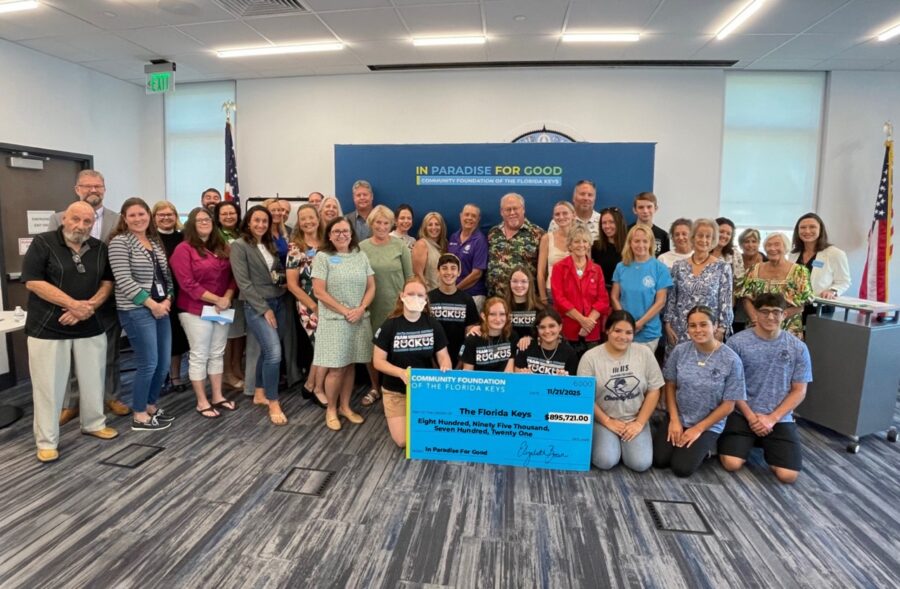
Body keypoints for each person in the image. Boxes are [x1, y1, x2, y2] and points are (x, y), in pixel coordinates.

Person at [23, 201, 118, 462]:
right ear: (65, 218)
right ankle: (47, 441)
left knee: (93, 380)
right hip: (48, 327)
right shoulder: (43, 243)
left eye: (87, 222)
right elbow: (33, 281)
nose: (81, 226)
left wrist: (88, 307)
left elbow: (107, 282)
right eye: (76, 219)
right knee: (49, 387)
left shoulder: (99, 248)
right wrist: (73, 305)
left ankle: (94, 424)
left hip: (90, 324)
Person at [50, 169, 129, 422]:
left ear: (105, 189)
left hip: (108, 298)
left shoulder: (119, 220)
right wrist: (71, 302)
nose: (93, 190)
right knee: (72, 353)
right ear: (77, 189)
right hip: (71, 301)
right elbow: (52, 258)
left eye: (99, 186)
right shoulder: (58, 218)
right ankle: (72, 402)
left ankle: (111, 396)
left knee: (110, 351)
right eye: (88, 186)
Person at [719, 294, 812, 484]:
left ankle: (763, 441)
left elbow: (799, 390)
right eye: (764, 312)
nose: (770, 317)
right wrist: (752, 417)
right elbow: (730, 386)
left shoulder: (798, 348)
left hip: (778, 417)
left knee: (788, 475)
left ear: (784, 314)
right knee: (732, 463)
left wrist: (772, 418)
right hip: (742, 413)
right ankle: (751, 440)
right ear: (756, 313)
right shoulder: (736, 343)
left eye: (776, 312)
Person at [653, 306, 746, 477]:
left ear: (715, 325)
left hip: (708, 423)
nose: (698, 330)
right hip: (678, 416)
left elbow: (729, 405)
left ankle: (709, 446)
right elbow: (670, 385)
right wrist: (674, 420)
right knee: (659, 460)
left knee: (681, 468)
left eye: (703, 325)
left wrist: (698, 429)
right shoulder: (680, 351)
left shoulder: (731, 360)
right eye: (692, 325)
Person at [109, 197, 175, 431]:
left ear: (149, 215)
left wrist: (167, 298)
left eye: (142, 214)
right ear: (125, 219)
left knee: (163, 362)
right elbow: (124, 280)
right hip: (137, 309)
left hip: (161, 307)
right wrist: (151, 304)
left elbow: (166, 276)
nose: (138, 219)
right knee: (148, 362)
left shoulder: (154, 242)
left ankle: (150, 405)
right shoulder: (120, 242)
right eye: (132, 215)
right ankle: (138, 413)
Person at [170, 207, 237, 418]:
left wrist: (226, 297)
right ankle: (202, 401)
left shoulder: (223, 247)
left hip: (221, 308)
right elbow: (187, 283)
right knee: (199, 355)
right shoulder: (183, 249)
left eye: (207, 219)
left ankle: (217, 396)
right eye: (199, 220)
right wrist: (217, 299)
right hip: (194, 309)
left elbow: (234, 276)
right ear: (191, 224)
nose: (204, 222)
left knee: (217, 353)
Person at [578, 310, 662, 472]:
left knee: (640, 464)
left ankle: (633, 439)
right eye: (617, 331)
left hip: (634, 418)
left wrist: (639, 423)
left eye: (629, 332)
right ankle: (614, 443)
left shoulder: (644, 353)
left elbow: (654, 390)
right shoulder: (590, 357)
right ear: (607, 330)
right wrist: (608, 421)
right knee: (605, 460)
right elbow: (585, 396)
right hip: (603, 418)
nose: (623, 337)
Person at [312, 217, 376, 431]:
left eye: (345, 231)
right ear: (329, 235)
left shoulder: (361, 255)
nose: (341, 234)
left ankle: (345, 407)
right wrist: (345, 311)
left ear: (351, 233)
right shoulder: (323, 257)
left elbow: (371, 287)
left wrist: (360, 309)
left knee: (350, 365)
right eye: (336, 231)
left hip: (358, 318)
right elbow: (319, 291)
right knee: (337, 368)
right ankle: (331, 409)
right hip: (335, 321)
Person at [373, 277, 452, 448]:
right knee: (403, 441)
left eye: (420, 295)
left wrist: (445, 365)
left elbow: (443, 355)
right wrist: (400, 372)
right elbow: (378, 362)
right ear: (402, 296)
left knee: (433, 433)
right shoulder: (390, 325)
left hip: (423, 389)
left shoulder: (432, 324)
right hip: (396, 391)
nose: (415, 298)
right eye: (410, 294)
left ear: (425, 299)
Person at [230, 205, 288, 426]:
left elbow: (276, 272)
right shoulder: (240, 245)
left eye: (265, 221)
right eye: (257, 220)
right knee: (274, 353)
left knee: (268, 349)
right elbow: (243, 283)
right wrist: (264, 309)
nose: (261, 225)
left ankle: (260, 392)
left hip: (279, 300)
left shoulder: (269, 243)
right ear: (248, 222)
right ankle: (273, 402)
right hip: (257, 305)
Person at [359, 205, 413, 406]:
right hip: (370, 307)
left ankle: (398, 388)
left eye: (386, 223)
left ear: (392, 224)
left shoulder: (400, 246)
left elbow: (410, 277)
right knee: (371, 349)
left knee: (398, 349)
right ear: (371, 224)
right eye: (377, 223)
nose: (381, 227)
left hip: (397, 307)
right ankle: (375, 387)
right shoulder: (362, 247)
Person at [664, 218, 733, 354]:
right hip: (680, 328)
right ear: (693, 237)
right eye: (700, 235)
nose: (704, 240)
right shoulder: (678, 266)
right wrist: (667, 324)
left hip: (708, 330)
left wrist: (722, 329)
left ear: (713, 240)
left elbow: (726, 301)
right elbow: (671, 298)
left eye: (708, 236)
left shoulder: (722, 267)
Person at [286, 203, 328, 408]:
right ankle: (317, 389)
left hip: (329, 302)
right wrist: (313, 306)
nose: (308, 221)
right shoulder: (295, 248)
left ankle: (310, 385)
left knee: (324, 346)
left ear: (318, 219)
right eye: (303, 219)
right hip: (308, 304)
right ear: (299, 223)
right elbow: (293, 285)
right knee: (322, 346)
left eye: (311, 217)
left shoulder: (327, 244)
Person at [736, 232, 812, 338]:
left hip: (787, 328)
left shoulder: (799, 272)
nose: (772, 248)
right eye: (769, 245)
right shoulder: (754, 269)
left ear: (786, 248)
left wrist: (774, 321)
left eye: (777, 244)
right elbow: (746, 299)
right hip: (756, 326)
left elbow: (801, 306)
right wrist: (756, 319)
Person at [611, 224, 672, 352]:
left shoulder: (660, 268)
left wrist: (639, 323)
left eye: (645, 241)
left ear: (651, 243)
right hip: (623, 330)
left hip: (648, 332)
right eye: (637, 241)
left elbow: (660, 302)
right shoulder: (621, 267)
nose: (641, 245)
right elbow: (614, 297)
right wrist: (626, 321)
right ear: (630, 243)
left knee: (642, 371)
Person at [551, 226, 610, 357]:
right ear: (570, 245)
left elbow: (603, 300)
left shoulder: (597, 269)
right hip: (568, 329)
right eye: (576, 241)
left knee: (590, 370)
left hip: (591, 330)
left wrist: (588, 322)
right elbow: (559, 298)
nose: (581, 245)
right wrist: (582, 320)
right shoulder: (559, 268)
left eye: (584, 241)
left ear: (589, 245)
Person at [153, 200, 189, 394]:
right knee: (157, 339)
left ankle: (175, 376)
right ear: (154, 218)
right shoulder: (149, 238)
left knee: (177, 338)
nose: (166, 218)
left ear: (176, 217)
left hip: (180, 293)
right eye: (161, 215)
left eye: (170, 214)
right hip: (155, 296)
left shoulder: (184, 238)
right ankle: (159, 376)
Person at [788, 212, 851, 323]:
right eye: (803, 227)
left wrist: (832, 291)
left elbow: (844, 281)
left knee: (814, 339)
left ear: (820, 230)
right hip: (793, 307)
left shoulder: (835, 253)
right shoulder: (793, 253)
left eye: (812, 227)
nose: (807, 231)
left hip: (819, 308)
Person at [486, 193, 545, 297]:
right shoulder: (493, 233)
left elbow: (545, 270)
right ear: (501, 212)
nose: (512, 212)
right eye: (508, 209)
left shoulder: (538, 234)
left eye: (515, 208)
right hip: (495, 300)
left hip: (525, 300)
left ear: (523, 209)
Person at [214, 201, 245, 389]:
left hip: (241, 290)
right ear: (217, 216)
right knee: (227, 335)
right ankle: (226, 374)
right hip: (224, 292)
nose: (228, 216)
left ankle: (236, 368)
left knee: (240, 332)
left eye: (232, 213)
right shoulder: (215, 236)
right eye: (224, 213)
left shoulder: (241, 233)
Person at [429, 253, 479, 367]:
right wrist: (432, 364)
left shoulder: (467, 299)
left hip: (459, 361)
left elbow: (470, 338)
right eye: (444, 268)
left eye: (453, 268)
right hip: (432, 363)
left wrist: (460, 364)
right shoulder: (429, 299)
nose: (449, 272)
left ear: (459, 272)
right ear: (438, 271)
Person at [448, 203, 489, 310]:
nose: (469, 218)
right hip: (454, 294)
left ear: (478, 219)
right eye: (467, 215)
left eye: (473, 216)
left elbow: (476, 274)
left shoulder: (480, 240)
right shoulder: (453, 237)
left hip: (473, 295)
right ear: (461, 216)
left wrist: (455, 290)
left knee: (472, 327)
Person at [515, 308, 578, 375]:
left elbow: (571, 383)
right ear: (537, 329)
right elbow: (515, 378)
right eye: (542, 327)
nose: (547, 331)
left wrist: (564, 380)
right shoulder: (526, 347)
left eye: (552, 326)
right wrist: (523, 377)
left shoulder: (570, 353)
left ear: (560, 327)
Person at [461, 297, 516, 372]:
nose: (498, 319)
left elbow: (509, 372)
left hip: (503, 382)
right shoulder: (472, 339)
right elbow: (467, 373)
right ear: (484, 316)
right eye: (493, 314)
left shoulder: (511, 336)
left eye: (502, 314)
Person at [538, 201, 576, 306]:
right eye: (557, 214)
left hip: (575, 293)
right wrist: (543, 297)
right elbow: (541, 272)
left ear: (573, 215)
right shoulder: (547, 238)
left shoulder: (582, 239)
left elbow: (587, 268)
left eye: (565, 213)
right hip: (552, 292)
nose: (561, 217)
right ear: (553, 217)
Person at [591, 206, 627, 293]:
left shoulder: (630, 246)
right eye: (604, 223)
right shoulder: (596, 247)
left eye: (611, 222)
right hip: (602, 293)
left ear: (619, 223)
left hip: (624, 294)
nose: (607, 226)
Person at [504, 266, 543, 342]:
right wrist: (475, 328)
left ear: (530, 283)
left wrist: (532, 340)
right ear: (509, 283)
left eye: (523, 281)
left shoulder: (540, 309)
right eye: (515, 281)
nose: (519, 285)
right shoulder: (501, 307)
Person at [412, 211, 447, 292]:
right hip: (429, 294)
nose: (434, 227)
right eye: (430, 225)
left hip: (442, 293)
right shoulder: (421, 244)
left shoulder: (444, 244)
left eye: (437, 224)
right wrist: (428, 295)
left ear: (442, 227)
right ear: (425, 228)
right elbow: (418, 274)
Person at [629, 192, 669, 257]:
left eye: (649, 207)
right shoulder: (625, 232)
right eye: (641, 207)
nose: (645, 211)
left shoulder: (663, 235)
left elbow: (664, 261)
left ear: (655, 209)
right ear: (634, 210)